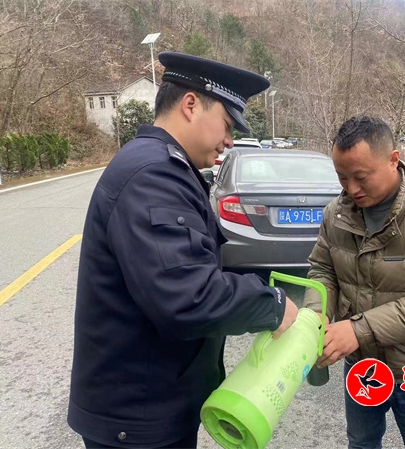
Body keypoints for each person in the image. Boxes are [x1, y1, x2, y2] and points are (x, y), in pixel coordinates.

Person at [68, 52, 299, 449]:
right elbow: (188, 296)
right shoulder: (153, 176)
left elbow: (191, 262)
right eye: (227, 124)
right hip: (138, 417)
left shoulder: (163, 166)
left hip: (151, 402)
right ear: (190, 105)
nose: (229, 140)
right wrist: (272, 305)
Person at [305, 116, 405, 449]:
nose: (351, 189)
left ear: (394, 159)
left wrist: (357, 330)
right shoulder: (337, 214)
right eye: (342, 177)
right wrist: (315, 314)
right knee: (361, 442)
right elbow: (323, 269)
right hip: (362, 365)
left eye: (361, 177)